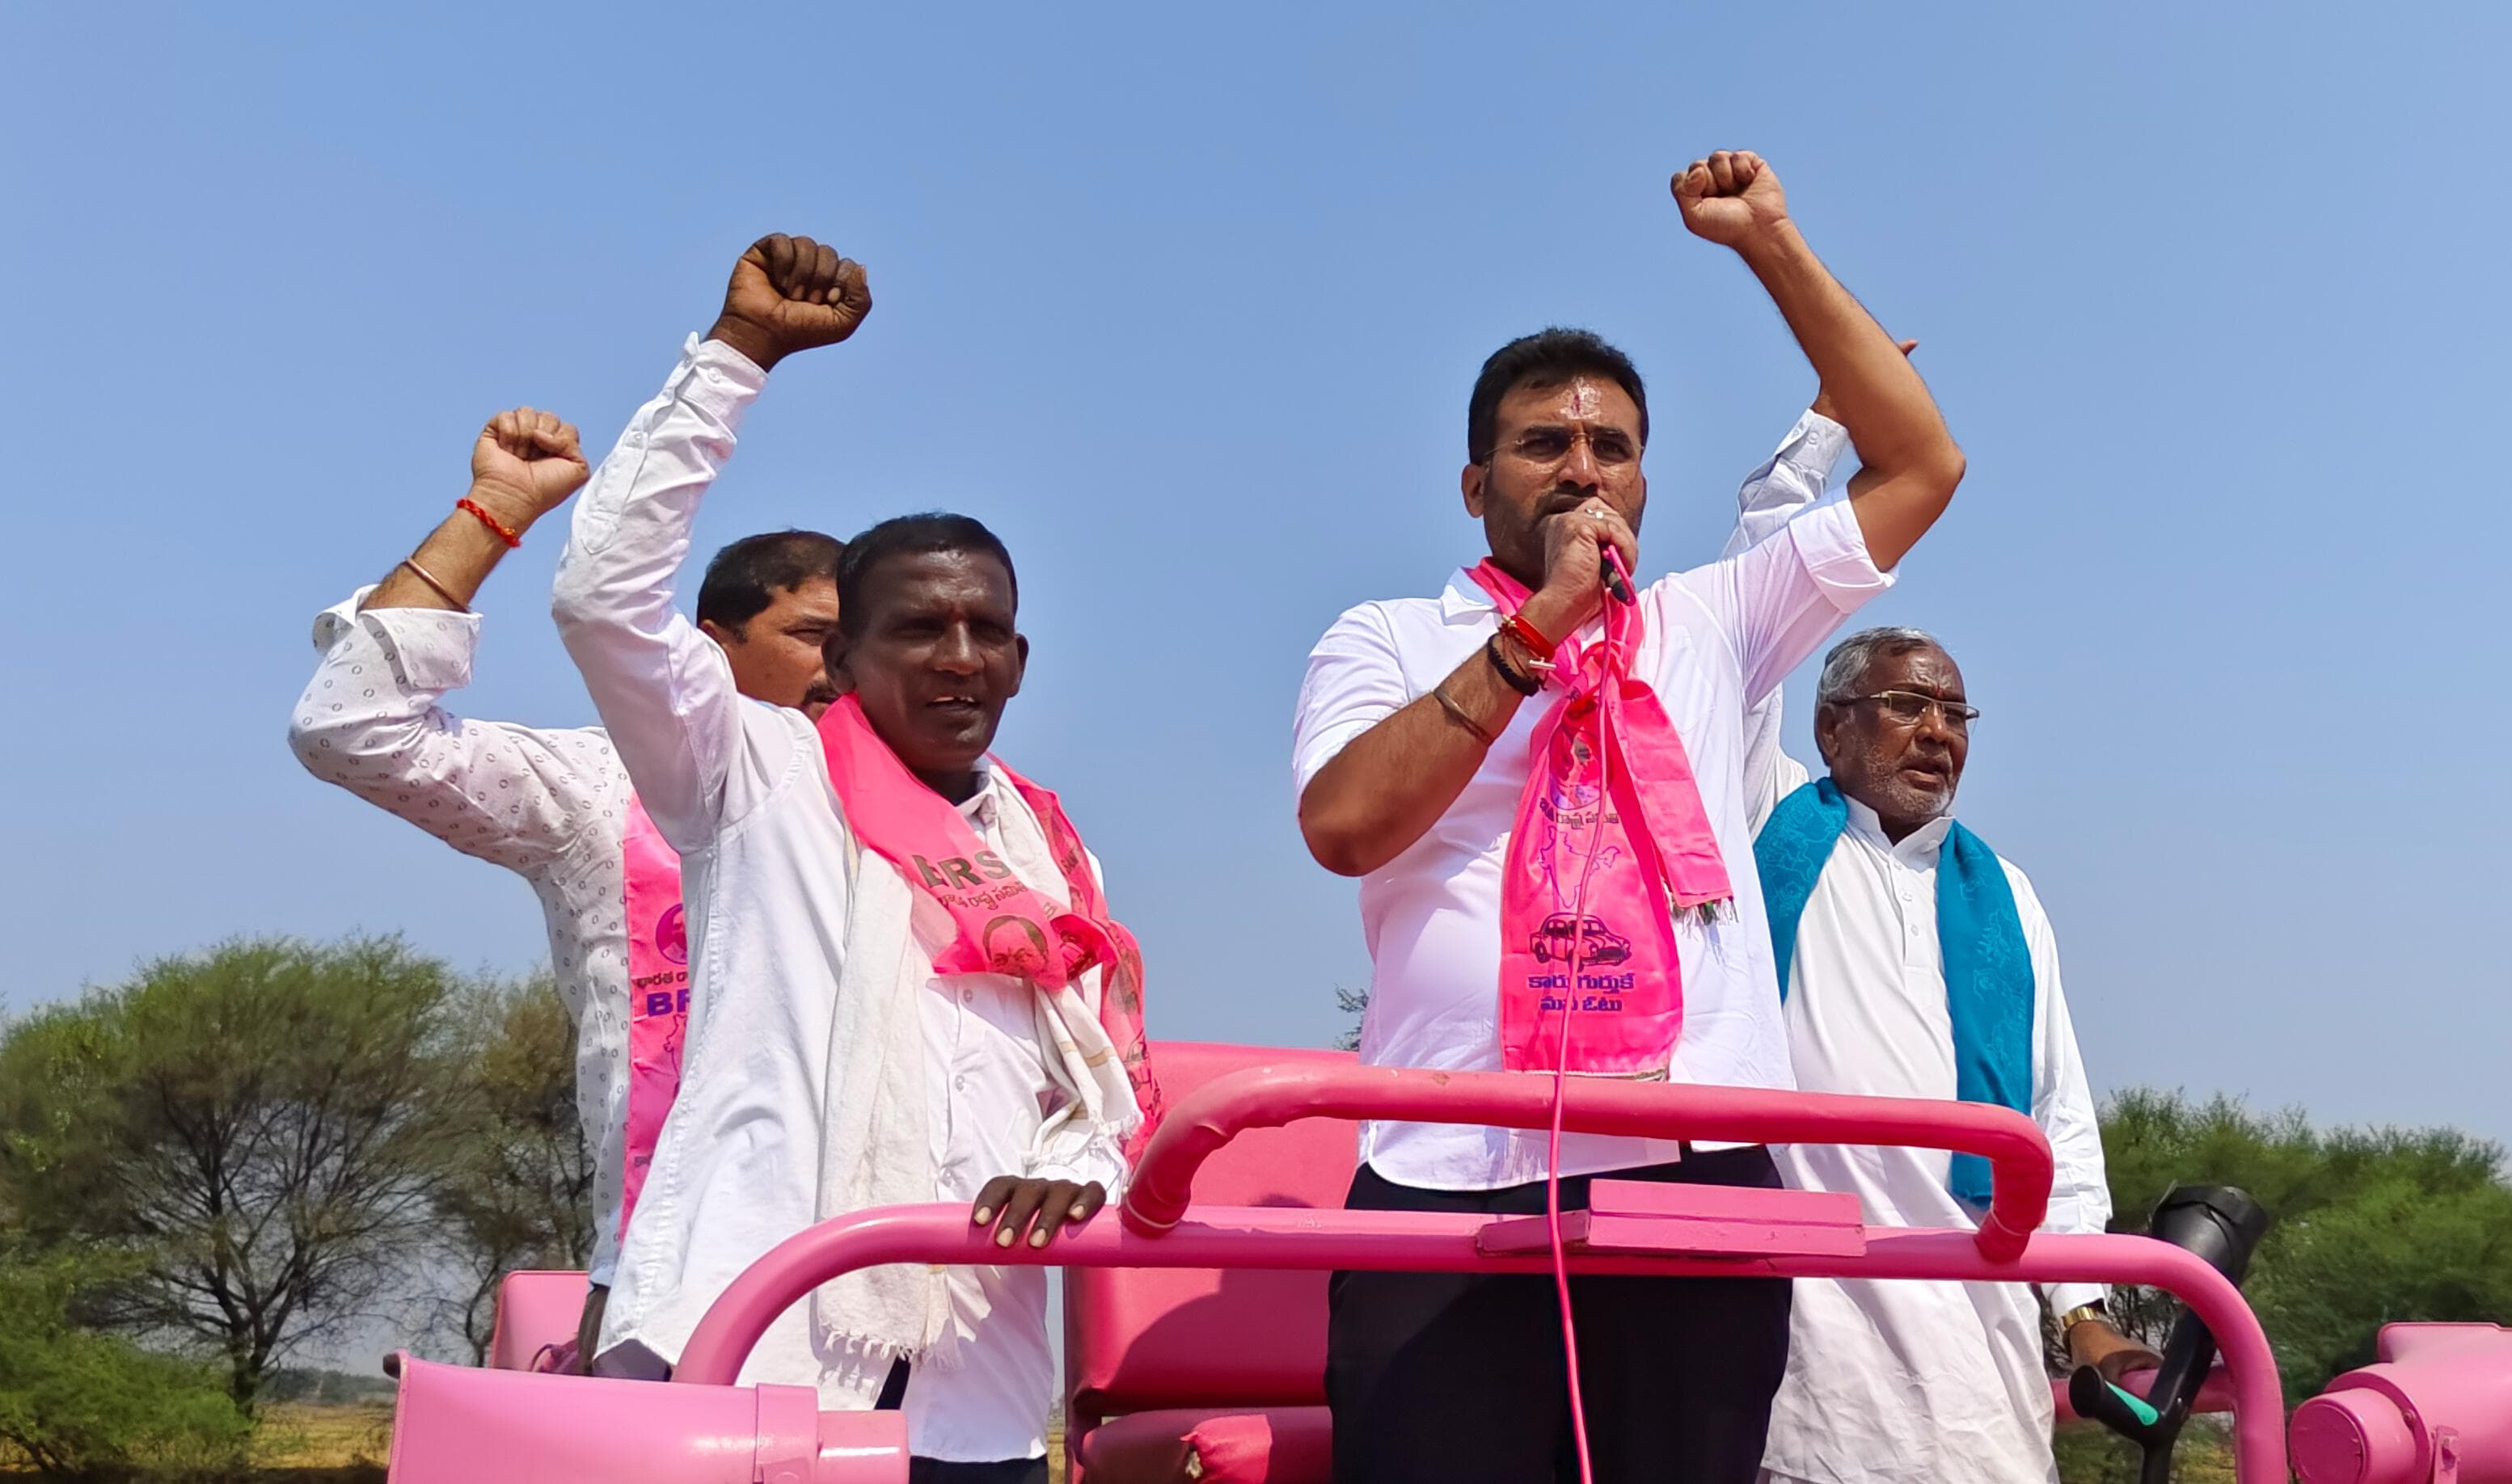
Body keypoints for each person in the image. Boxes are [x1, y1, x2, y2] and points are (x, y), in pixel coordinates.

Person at [1291, 150, 1966, 1484]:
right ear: (1473, 482)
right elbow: (1346, 825)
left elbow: (1920, 462)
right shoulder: (1388, 637)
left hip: (1694, 1168)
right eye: (1542, 443)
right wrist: (1535, 632)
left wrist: (1768, 241)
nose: (1581, 467)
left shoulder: (1710, 623)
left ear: (1645, 483)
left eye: (1612, 447)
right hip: (1447, 1168)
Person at [552, 234, 1157, 1484]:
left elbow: (1094, 1098)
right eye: (918, 629)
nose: (958, 657)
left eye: (985, 630)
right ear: (840, 660)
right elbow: (600, 598)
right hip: (748, 1369)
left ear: (1021, 661)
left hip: (976, 1399)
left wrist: (1069, 1171)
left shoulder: (1048, 849)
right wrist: (739, 355)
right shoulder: (756, 774)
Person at [285, 411, 845, 1365]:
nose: (843, 669)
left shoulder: (945, 817)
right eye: (811, 637)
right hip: (669, 1286)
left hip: (893, 1282)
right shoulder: (598, 787)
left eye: (861, 641)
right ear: (711, 648)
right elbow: (354, 727)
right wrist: (495, 509)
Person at [1750, 628, 2155, 1484]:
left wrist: (2081, 1310)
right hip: (1807, 1362)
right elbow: (1742, 659)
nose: (1937, 732)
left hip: (1977, 1366)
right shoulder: (1765, 825)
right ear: (1829, 728)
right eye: (1906, 705)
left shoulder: (2005, 893)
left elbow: (2055, 1118)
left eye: (1954, 714)